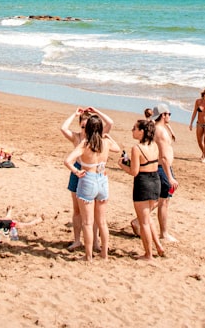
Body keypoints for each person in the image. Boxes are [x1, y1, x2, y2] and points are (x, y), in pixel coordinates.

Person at [64, 113, 115, 261]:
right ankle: (104, 254)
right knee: (102, 221)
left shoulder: (85, 144)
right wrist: (108, 137)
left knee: (87, 222)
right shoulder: (105, 142)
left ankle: (88, 256)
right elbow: (117, 149)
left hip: (88, 178)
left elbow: (68, 160)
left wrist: (76, 171)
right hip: (102, 179)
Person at [120, 117, 165, 260]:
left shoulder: (136, 148)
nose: (132, 130)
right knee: (148, 218)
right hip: (155, 180)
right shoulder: (155, 146)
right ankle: (158, 246)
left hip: (143, 183)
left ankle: (148, 254)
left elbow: (134, 171)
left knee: (144, 221)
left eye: (135, 128)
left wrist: (122, 165)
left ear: (142, 131)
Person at [151, 103, 179, 242]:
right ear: (163, 115)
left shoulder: (158, 128)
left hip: (163, 167)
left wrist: (169, 128)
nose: (169, 116)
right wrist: (170, 177)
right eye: (169, 114)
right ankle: (164, 233)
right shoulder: (160, 132)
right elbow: (163, 156)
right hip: (163, 168)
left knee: (162, 199)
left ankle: (138, 221)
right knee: (164, 202)